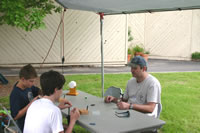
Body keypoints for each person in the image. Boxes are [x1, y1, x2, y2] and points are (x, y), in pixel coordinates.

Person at [9, 64, 40, 132]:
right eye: (31, 81)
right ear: (23, 79)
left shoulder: (28, 86)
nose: (33, 83)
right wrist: (31, 104)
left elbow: (38, 91)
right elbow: (15, 116)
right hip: (25, 126)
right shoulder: (16, 94)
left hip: (33, 121)